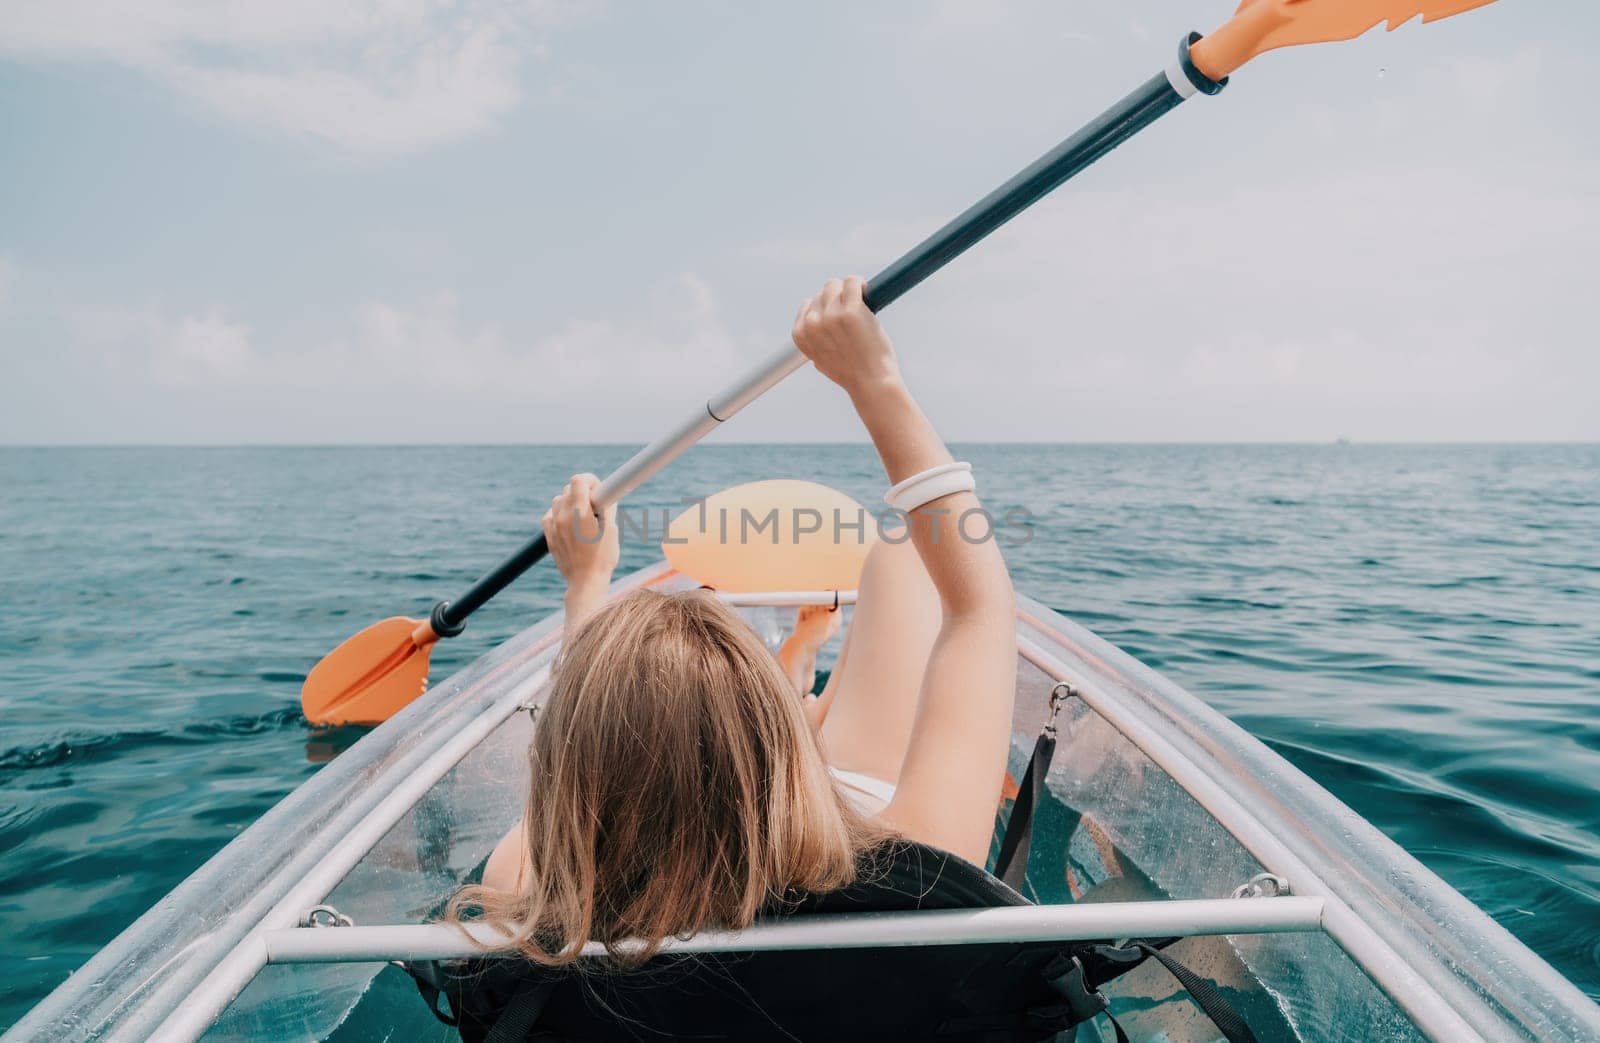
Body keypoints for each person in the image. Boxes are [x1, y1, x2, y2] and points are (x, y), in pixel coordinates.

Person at [463, 274, 1016, 964]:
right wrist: (874, 383)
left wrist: (588, 583)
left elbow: (581, 737)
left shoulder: (529, 888)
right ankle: (800, 688)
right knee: (901, 559)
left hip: (738, 801)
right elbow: (978, 608)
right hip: (829, 836)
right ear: (772, 753)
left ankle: (804, 677)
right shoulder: (916, 869)